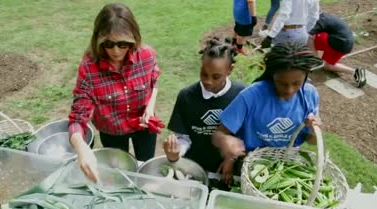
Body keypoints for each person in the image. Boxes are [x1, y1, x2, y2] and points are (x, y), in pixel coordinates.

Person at [68, 3, 163, 182]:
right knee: (120, 172)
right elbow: (77, 118)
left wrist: (150, 107)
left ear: (133, 38)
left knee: (146, 167)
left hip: (144, 127)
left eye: (123, 44)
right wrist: (82, 149)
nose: (116, 51)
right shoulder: (89, 68)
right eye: (108, 44)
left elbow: (154, 80)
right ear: (98, 40)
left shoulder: (147, 55)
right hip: (112, 130)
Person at [212, 41, 323, 184]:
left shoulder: (310, 95)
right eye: (282, 83)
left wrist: (315, 130)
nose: (289, 90)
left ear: (306, 76)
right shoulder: (251, 96)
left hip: (287, 163)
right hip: (250, 161)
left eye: (296, 83)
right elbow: (218, 133)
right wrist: (228, 148)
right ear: (272, 76)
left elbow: (312, 141)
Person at [163, 37, 246, 190]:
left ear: (230, 70)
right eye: (204, 74)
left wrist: (231, 159)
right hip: (194, 165)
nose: (208, 81)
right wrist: (176, 152)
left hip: (226, 168)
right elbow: (183, 137)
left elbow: (244, 135)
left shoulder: (242, 95)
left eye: (216, 77)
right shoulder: (186, 96)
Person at [308, 12, 366, 88]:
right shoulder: (325, 16)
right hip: (346, 45)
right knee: (326, 65)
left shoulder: (318, 20)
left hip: (337, 41)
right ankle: (355, 71)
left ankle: (315, 59)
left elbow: (308, 35)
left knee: (309, 36)